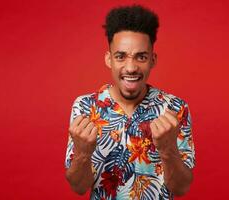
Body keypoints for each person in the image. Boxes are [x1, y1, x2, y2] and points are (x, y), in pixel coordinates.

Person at [65, 5, 195, 199]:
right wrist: (83, 154)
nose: (131, 67)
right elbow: (79, 187)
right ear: (109, 59)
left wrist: (168, 150)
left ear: (153, 59)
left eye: (141, 57)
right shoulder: (85, 107)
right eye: (121, 56)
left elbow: (181, 188)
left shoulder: (175, 108)